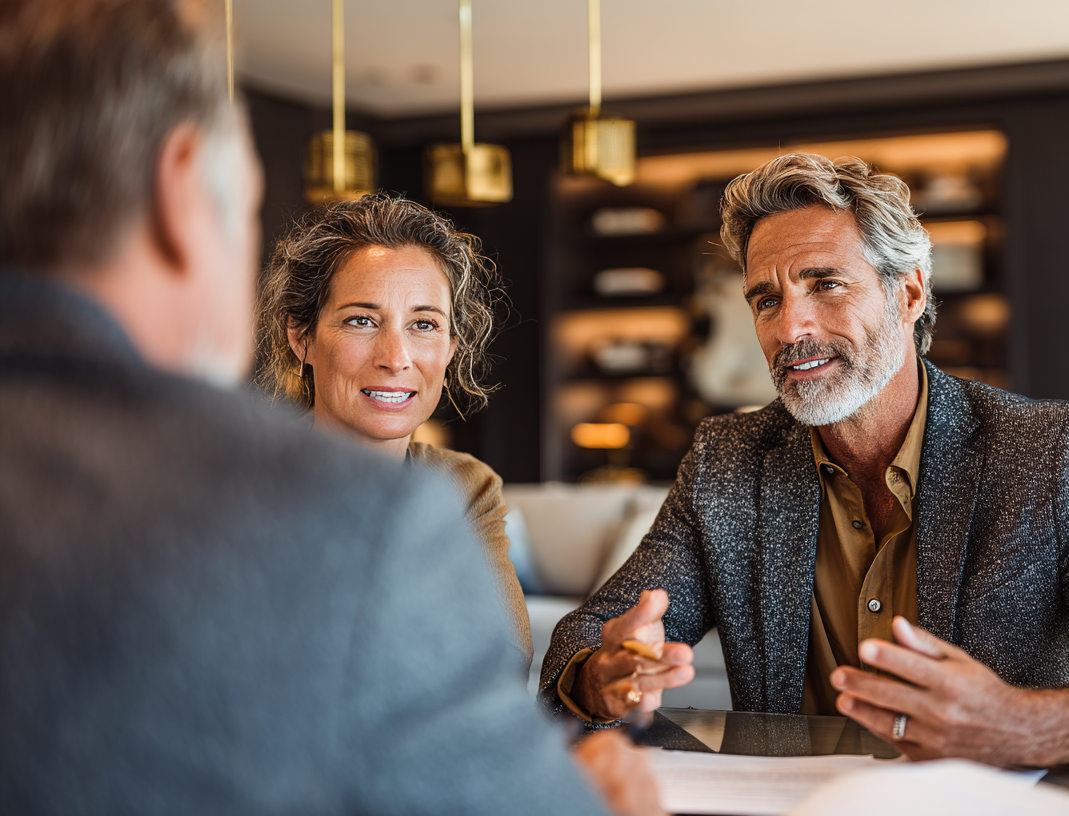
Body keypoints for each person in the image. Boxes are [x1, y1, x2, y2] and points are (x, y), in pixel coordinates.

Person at [0, 1, 659, 814]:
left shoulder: (448, 490)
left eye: (425, 325)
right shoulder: (349, 517)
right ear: (180, 191)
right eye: (242, 205)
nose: (396, 355)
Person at [541, 153, 1069, 768]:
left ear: (909, 291)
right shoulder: (729, 462)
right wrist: (605, 674)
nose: (791, 326)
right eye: (766, 299)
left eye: (826, 283)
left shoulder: (1049, 454)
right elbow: (586, 636)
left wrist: (1029, 724)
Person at [255, 195, 531, 663]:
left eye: (423, 324)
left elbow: (501, 661)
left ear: (449, 349)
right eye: (361, 321)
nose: (395, 357)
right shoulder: (237, 478)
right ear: (302, 338)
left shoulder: (464, 486)